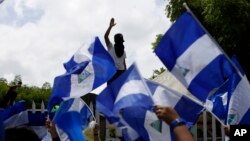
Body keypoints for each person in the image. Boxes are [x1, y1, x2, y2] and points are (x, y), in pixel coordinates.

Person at [104, 18, 127, 84]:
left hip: (112, 74)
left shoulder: (111, 47)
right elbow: (125, 65)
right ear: (122, 41)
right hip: (121, 74)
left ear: (115, 41)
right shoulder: (123, 51)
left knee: (111, 93)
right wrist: (126, 76)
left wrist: (110, 26)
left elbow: (106, 37)